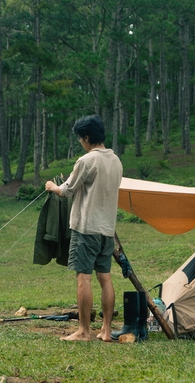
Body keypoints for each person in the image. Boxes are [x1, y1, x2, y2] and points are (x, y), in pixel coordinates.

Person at [45, 115, 123, 342]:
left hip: (86, 228)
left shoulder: (86, 161)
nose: (81, 142)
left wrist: (52, 187)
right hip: (107, 230)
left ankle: (84, 331)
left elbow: (67, 189)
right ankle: (106, 331)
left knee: (84, 278)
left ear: (87, 137)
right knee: (105, 278)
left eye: (81, 139)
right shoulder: (116, 161)